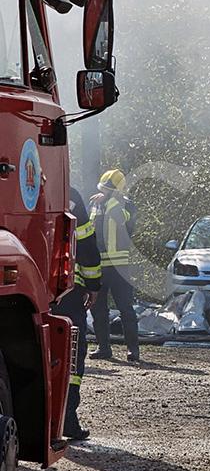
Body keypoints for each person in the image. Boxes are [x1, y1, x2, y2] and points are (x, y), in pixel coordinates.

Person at [51, 187, 101, 440]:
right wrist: (93, 286)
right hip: (64, 290)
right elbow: (86, 244)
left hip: (21, 286)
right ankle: (66, 418)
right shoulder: (67, 193)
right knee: (70, 353)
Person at [89, 169, 140, 362]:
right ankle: (104, 348)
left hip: (119, 267)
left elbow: (121, 220)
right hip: (99, 266)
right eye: (103, 189)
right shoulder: (96, 204)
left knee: (126, 308)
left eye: (108, 190)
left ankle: (133, 351)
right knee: (98, 309)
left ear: (117, 191)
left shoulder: (126, 205)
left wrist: (108, 201)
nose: (104, 192)